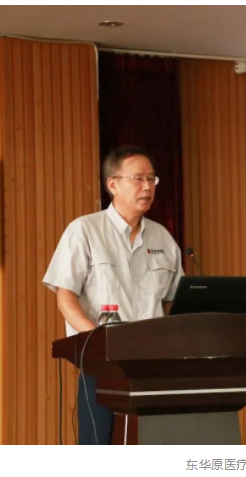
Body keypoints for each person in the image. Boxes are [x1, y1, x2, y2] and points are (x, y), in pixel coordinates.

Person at [43, 145, 185, 444]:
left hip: (153, 365)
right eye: (138, 178)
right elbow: (65, 296)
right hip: (103, 366)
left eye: (152, 179)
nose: (147, 186)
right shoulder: (85, 230)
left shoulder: (162, 237)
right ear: (113, 184)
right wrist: (98, 342)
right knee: (101, 448)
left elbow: (173, 300)